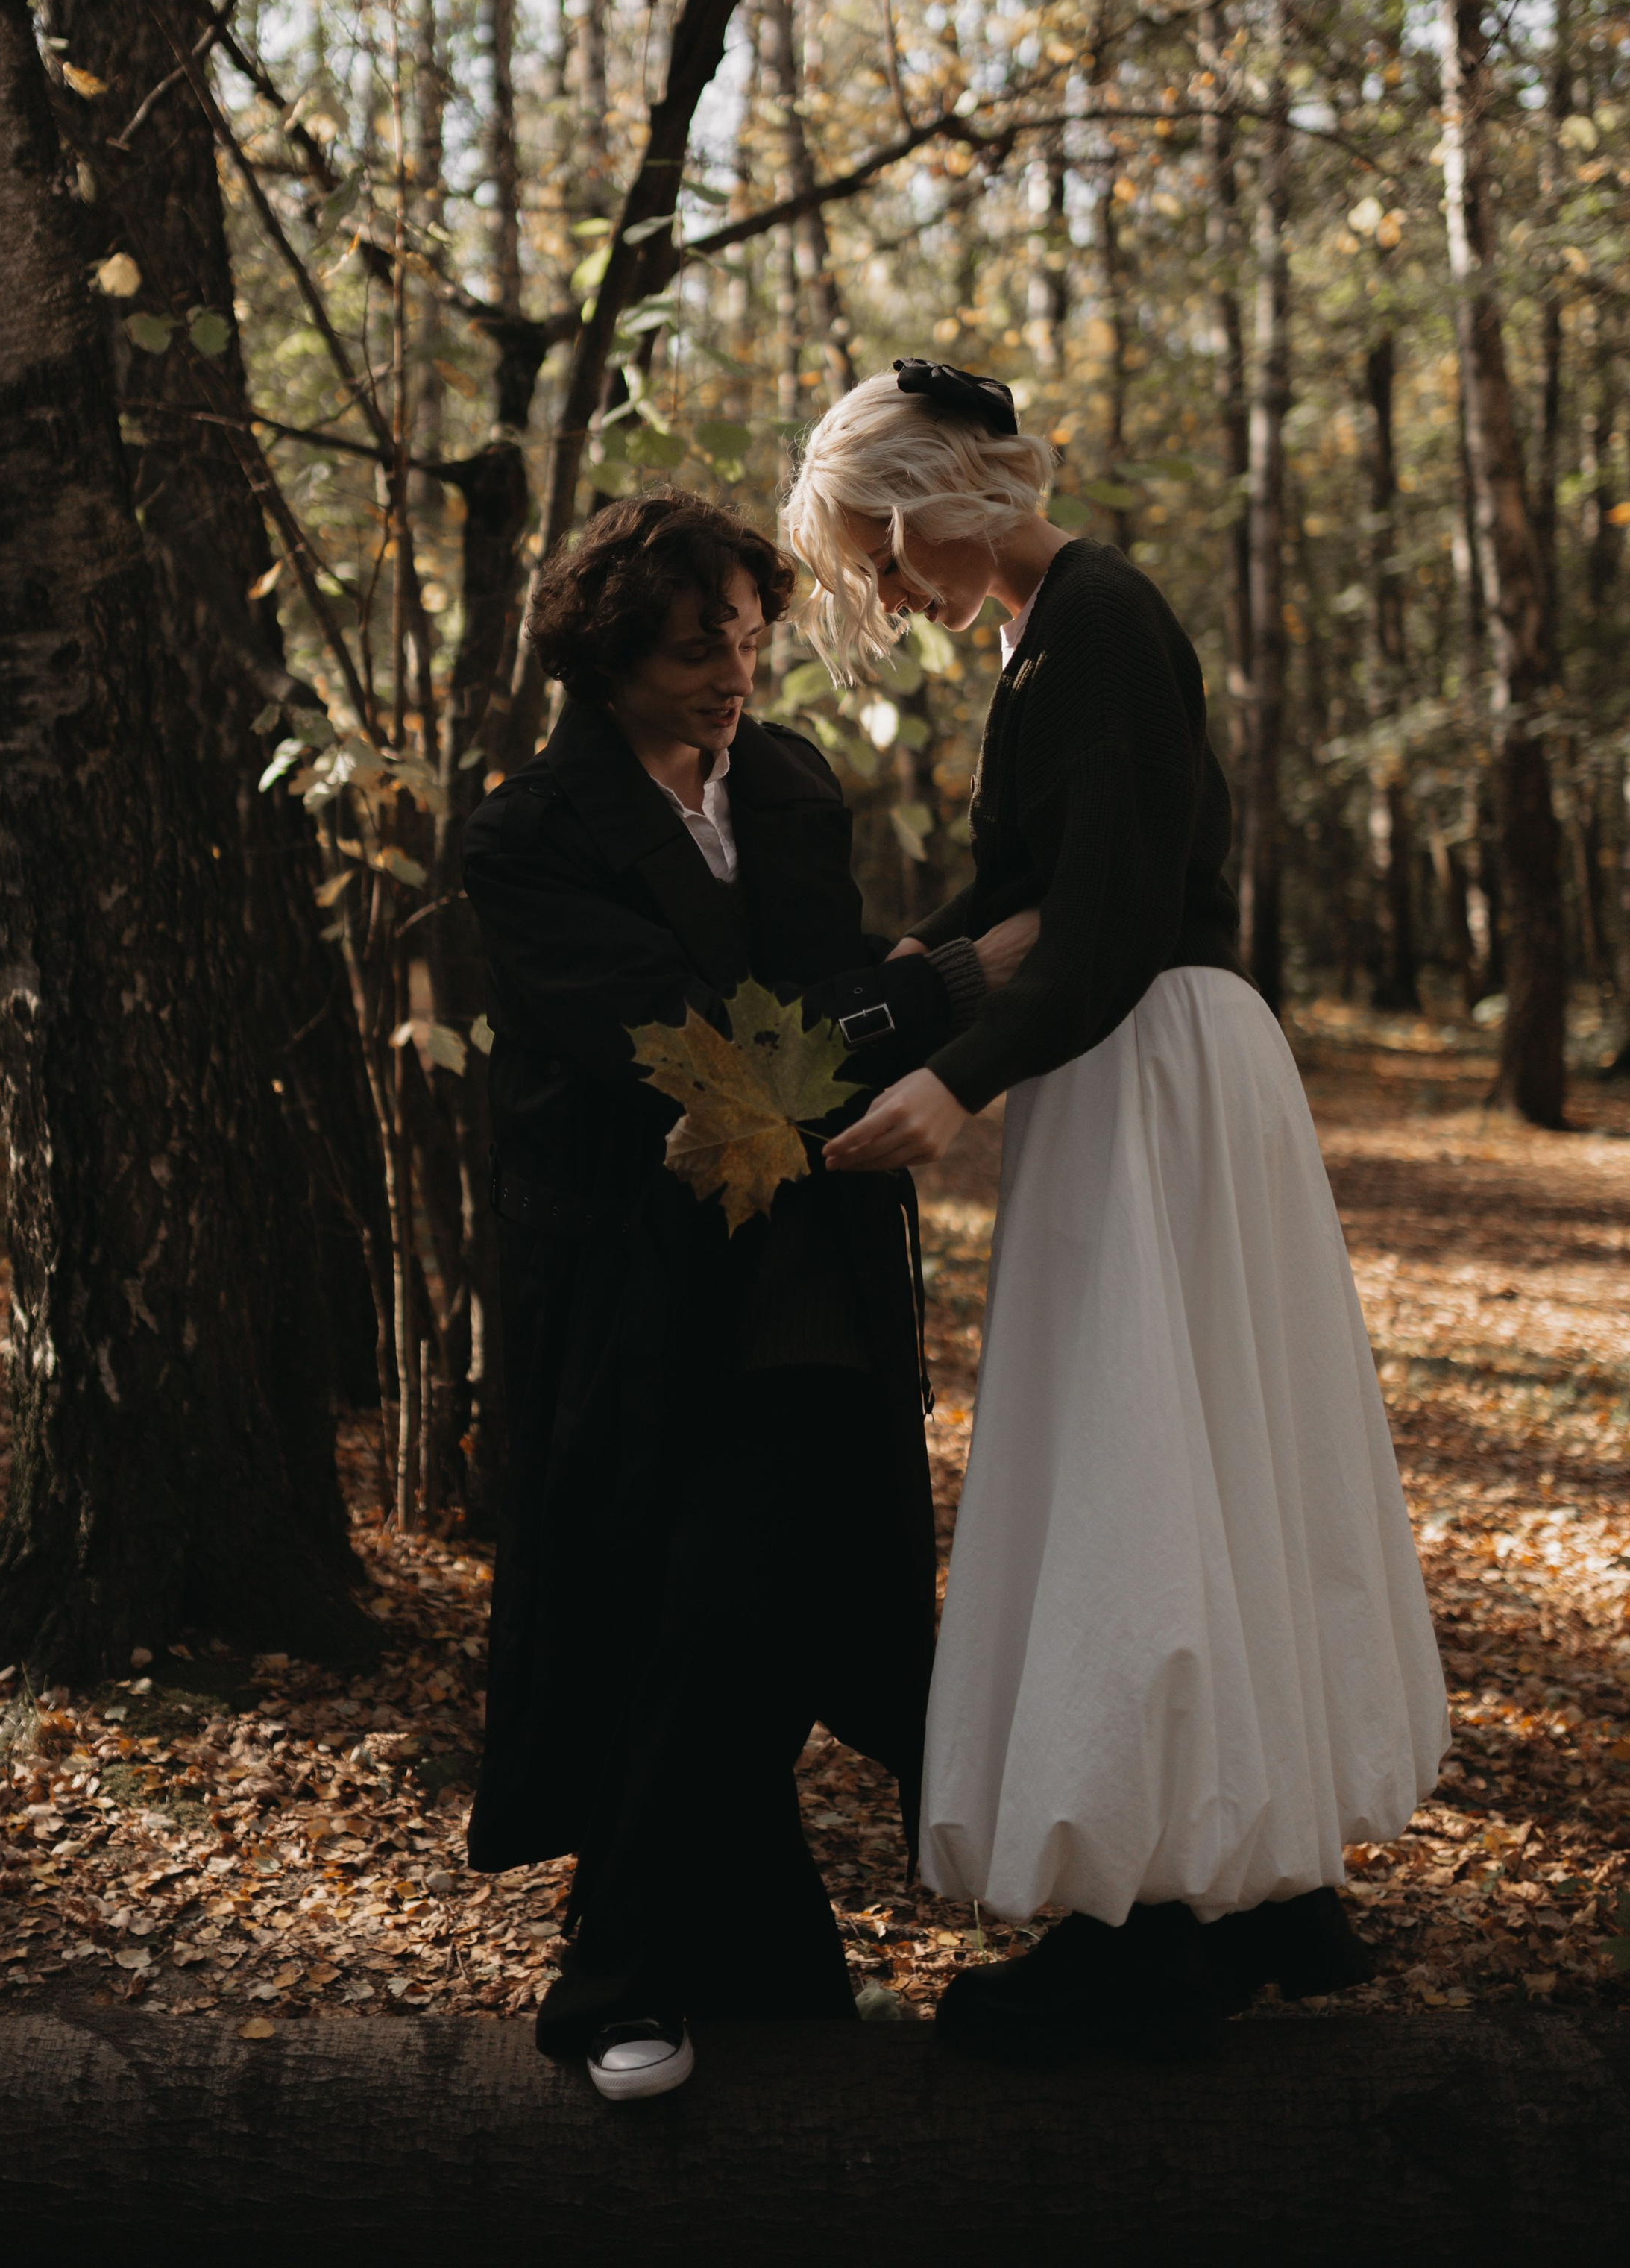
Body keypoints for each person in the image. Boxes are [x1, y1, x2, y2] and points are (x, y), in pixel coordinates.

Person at [782, 361, 1450, 2064]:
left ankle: (1142, 1933)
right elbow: (1028, 900)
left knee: (1137, 1462)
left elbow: (1106, 917)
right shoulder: (1050, 633)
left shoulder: (1097, 620)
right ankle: (1265, 1898)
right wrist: (904, 987)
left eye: (885, 549)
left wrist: (955, 1081)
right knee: (1196, 1452)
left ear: (942, 498)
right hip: (1140, 1060)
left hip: (1145, 1056)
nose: (887, 590)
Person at [461, 491, 1017, 2102]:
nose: (731, 667)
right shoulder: (530, 837)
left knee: (818, 1628)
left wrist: (860, 1015)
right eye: (694, 640)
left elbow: (800, 1028)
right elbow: (708, 1071)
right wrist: (938, 982)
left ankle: (1137, 1911)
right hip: (650, 1301)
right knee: (712, 1609)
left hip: (823, 1270)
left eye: (747, 633)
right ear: (605, 649)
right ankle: (618, 1982)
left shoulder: (782, 781)